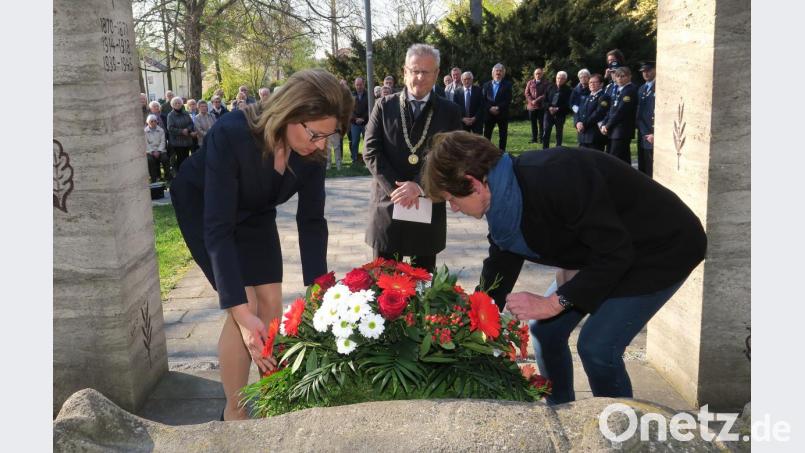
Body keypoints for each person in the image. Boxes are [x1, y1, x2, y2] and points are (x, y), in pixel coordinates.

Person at [421, 131, 707, 406]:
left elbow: (615, 253)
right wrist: (471, 322)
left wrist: (556, 302)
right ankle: (561, 413)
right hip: (608, 249)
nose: (454, 209)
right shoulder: (504, 201)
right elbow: (501, 264)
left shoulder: (554, 175)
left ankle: (617, 430)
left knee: (597, 347)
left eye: (451, 200)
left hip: (661, 248)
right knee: (545, 331)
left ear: (473, 183)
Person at [170, 69, 353, 421]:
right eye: (315, 134)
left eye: (327, 138)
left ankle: (271, 399)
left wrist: (318, 293)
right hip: (205, 207)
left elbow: (312, 222)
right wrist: (241, 316)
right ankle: (234, 412)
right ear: (290, 113)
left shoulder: (312, 151)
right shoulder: (232, 133)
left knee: (271, 302)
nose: (319, 145)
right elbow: (218, 229)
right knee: (247, 304)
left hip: (255, 210)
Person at [363, 43, 462, 272]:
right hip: (388, 209)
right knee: (385, 289)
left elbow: (451, 156)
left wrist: (418, 186)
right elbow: (370, 150)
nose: (419, 77)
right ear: (405, 72)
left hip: (427, 208)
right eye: (414, 70)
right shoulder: (384, 106)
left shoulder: (450, 112)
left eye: (426, 72)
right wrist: (397, 190)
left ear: (437, 74)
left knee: (423, 290)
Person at [600, 66, 638, 165]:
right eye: (617, 76)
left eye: (623, 76)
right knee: (623, 158)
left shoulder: (629, 90)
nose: (620, 79)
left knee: (614, 157)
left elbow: (621, 111)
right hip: (615, 130)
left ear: (629, 77)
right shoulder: (618, 90)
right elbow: (611, 109)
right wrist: (604, 123)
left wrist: (608, 125)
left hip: (622, 130)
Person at [574, 73, 610, 151]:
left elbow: (598, 113)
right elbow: (577, 111)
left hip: (594, 136)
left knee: (594, 161)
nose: (591, 84)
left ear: (601, 84)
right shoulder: (586, 97)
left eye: (594, 82)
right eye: (590, 82)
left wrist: (584, 124)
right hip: (583, 135)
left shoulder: (603, 97)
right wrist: (577, 123)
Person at [482, 63, 513, 150]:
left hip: (502, 113)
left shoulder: (508, 85)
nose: (498, 73)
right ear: (493, 73)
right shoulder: (486, 85)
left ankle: (502, 152)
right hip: (489, 114)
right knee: (487, 135)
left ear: (503, 73)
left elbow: (508, 99)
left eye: (500, 71)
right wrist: (490, 108)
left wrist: (498, 107)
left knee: (503, 135)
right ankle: (486, 151)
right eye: (496, 71)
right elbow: (483, 100)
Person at [542, 71, 572, 149]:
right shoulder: (550, 87)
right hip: (548, 113)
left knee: (559, 133)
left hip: (560, 114)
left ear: (565, 80)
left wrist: (558, 109)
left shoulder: (568, 90)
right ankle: (545, 150)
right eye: (558, 78)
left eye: (562, 79)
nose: (559, 80)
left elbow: (568, 104)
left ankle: (558, 149)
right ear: (556, 78)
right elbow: (544, 100)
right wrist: (549, 107)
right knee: (546, 132)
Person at [636, 61, 656, 177]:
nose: (645, 73)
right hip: (644, 133)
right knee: (644, 167)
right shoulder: (642, 88)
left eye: (648, 70)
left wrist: (654, 133)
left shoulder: (661, 86)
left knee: (653, 169)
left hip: (654, 133)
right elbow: (639, 114)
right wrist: (645, 132)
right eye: (643, 71)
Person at [166, 96, 197, 171]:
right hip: (177, 141)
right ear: (172, 105)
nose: (177, 104)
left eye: (179, 103)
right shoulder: (170, 115)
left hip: (187, 139)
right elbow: (170, 128)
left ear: (182, 104)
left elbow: (191, 124)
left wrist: (187, 130)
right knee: (180, 158)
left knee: (186, 157)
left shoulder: (185, 113)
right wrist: (181, 131)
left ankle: (186, 172)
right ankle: (179, 173)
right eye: (175, 103)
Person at [524, 68, 548, 144]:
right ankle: (534, 139)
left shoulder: (545, 83)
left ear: (542, 74)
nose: (538, 75)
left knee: (541, 123)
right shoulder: (530, 83)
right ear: (534, 75)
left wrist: (536, 100)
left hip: (541, 106)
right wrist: (531, 101)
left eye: (539, 73)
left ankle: (541, 139)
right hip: (531, 107)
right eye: (536, 73)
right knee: (533, 123)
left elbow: (545, 94)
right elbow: (527, 93)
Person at [144, 114, 169, 183]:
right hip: (150, 151)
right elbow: (146, 144)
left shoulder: (161, 130)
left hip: (160, 150)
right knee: (150, 160)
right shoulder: (144, 131)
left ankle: (167, 177)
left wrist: (159, 151)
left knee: (165, 159)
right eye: (151, 121)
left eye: (155, 121)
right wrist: (152, 152)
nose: (153, 122)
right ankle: (154, 179)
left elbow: (163, 142)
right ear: (147, 122)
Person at [350, 77, 369, 166]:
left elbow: (369, 108)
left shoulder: (368, 94)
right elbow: (350, 110)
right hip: (354, 123)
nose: (359, 87)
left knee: (367, 142)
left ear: (363, 84)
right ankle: (354, 160)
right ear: (355, 85)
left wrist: (363, 119)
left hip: (366, 123)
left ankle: (367, 160)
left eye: (360, 85)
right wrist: (355, 119)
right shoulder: (351, 95)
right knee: (354, 142)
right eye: (357, 85)